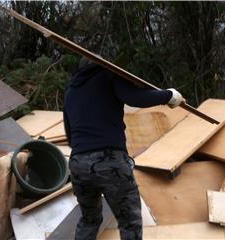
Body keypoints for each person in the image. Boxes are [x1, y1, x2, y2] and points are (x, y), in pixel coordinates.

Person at [63, 56, 184, 240]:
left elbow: (70, 135)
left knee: (89, 220)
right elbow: (135, 98)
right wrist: (168, 95)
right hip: (109, 161)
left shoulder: (71, 92)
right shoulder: (109, 75)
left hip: (78, 164)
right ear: (102, 63)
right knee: (129, 222)